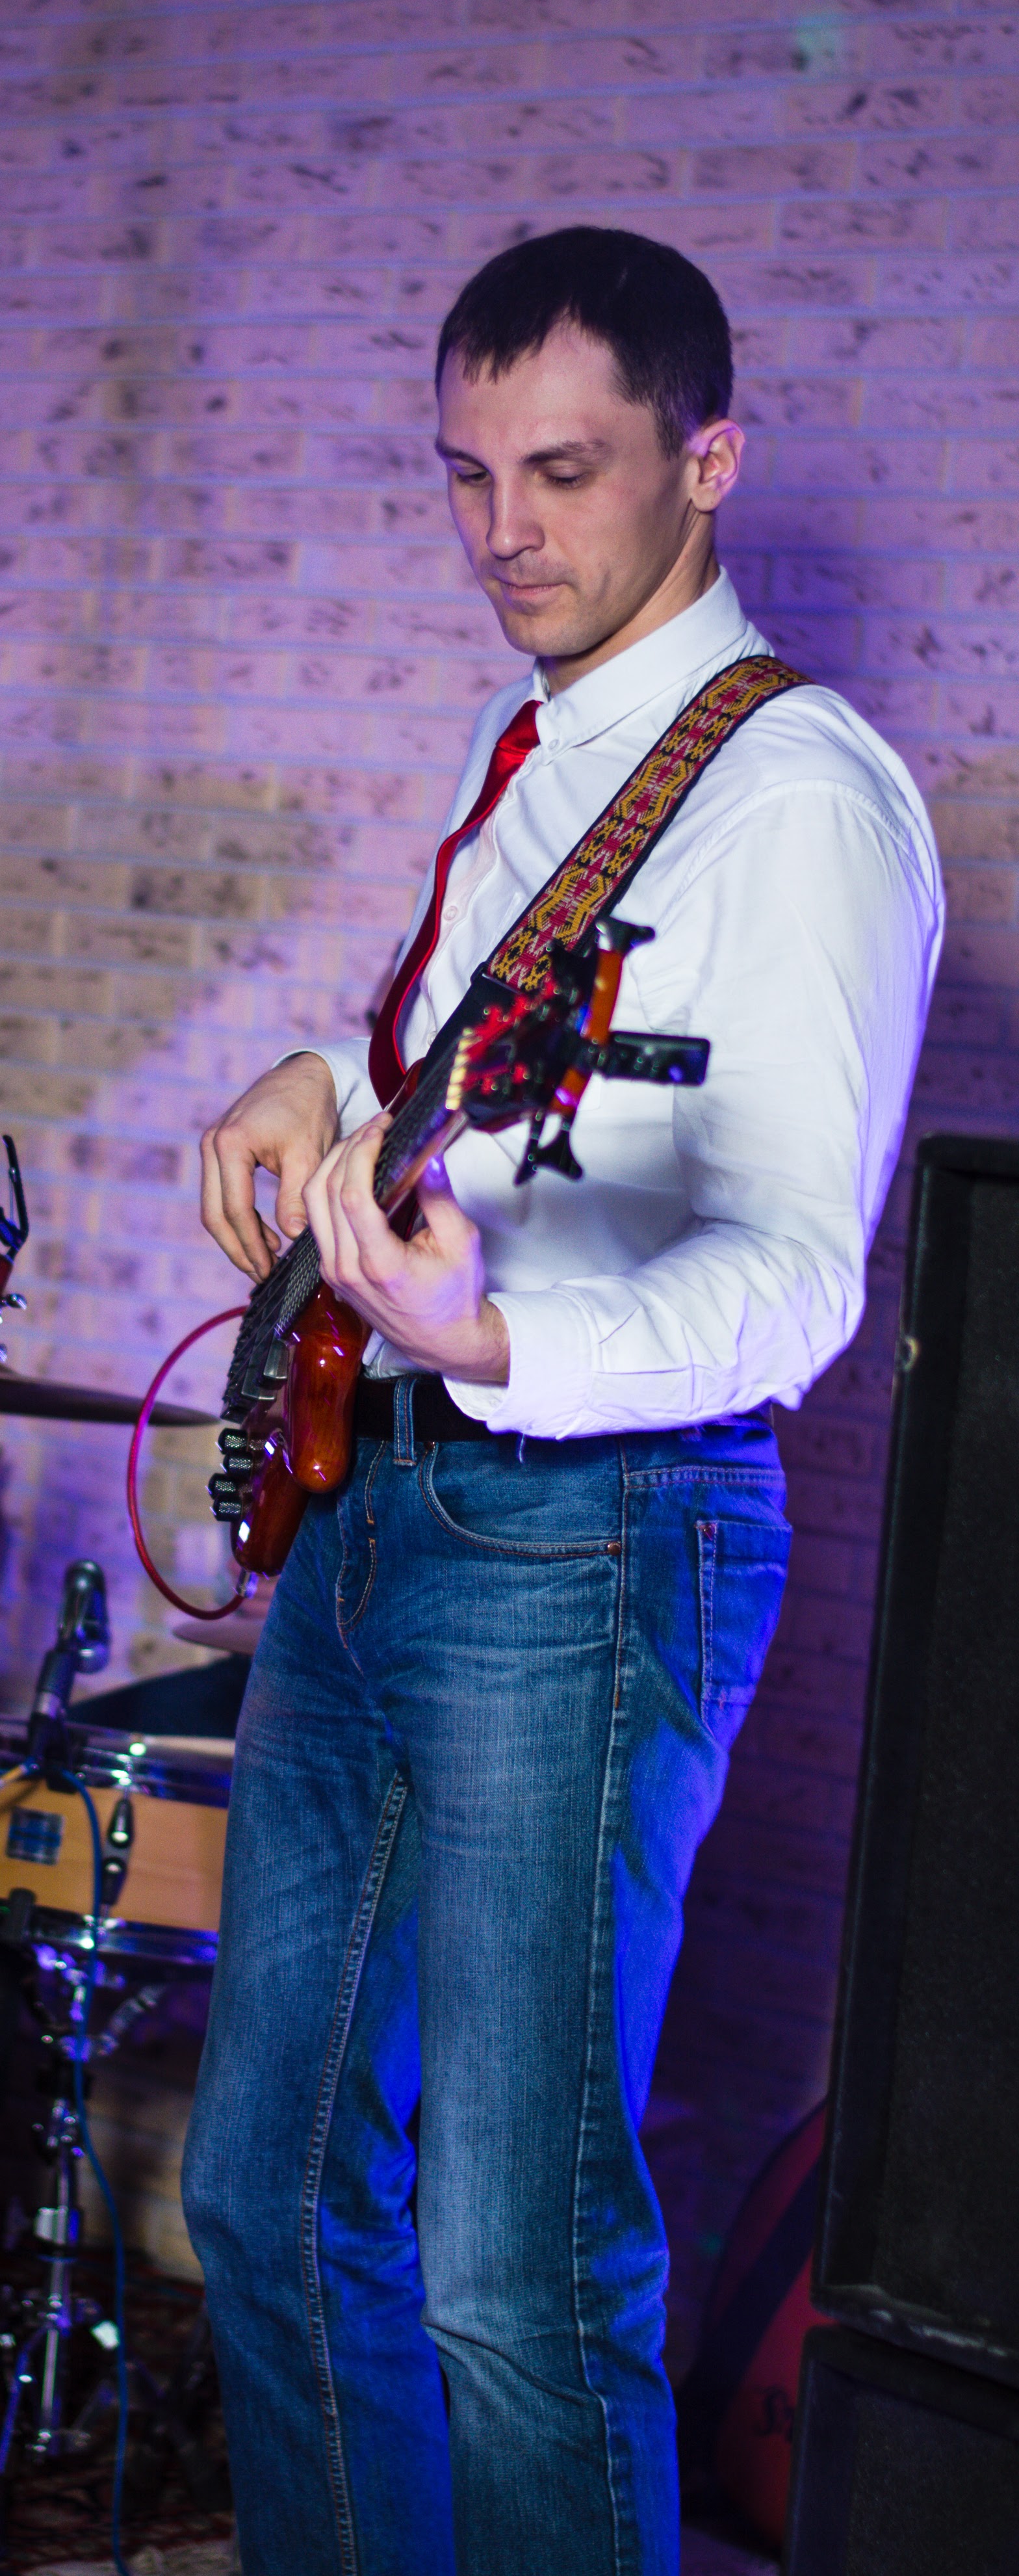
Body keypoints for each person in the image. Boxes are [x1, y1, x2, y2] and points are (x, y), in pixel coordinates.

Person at [180, 226, 942, 2575]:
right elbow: (487, 1085)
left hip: (591, 1536)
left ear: (707, 463)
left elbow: (796, 1279)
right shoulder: (535, 749)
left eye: (565, 472)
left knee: (514, 2267)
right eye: (463, 474)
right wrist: (321, 1076)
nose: (502, 530)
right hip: (375, 1506)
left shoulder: (801, 798)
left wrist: (500, 1341)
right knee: (266, 2193)